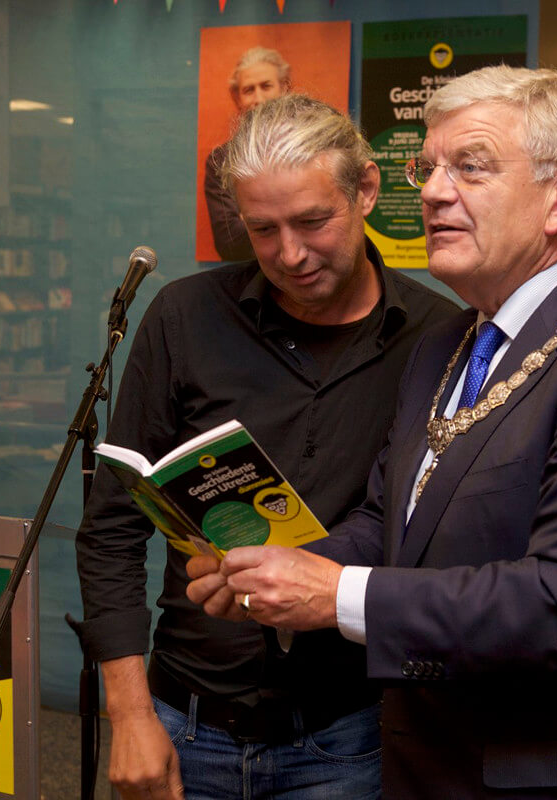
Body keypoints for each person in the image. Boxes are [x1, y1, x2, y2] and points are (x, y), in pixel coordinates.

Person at [187, 65, 557, 799]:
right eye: (428, 167)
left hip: (556, 779)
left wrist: (337, 594)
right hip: (432, 765)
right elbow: (389, 522)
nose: (433, 192)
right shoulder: (449, 344)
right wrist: (276, 569)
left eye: (470, 168)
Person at [76, 93, 461, 800]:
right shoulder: (185, 317)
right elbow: (110, 528)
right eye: (262, 230)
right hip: (183, 717)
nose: (291, 253)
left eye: (314, 221)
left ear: (366, 190)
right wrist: (127, 712)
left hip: (350, 733)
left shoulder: (439, 337)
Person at [204, 46, 291, 261]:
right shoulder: (221, 160)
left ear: (285, 89)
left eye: (266, 86)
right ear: (237, 99)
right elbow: (229, 243)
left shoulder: (314, 147)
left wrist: (250, 220)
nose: (258, 99)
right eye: (248, 90)